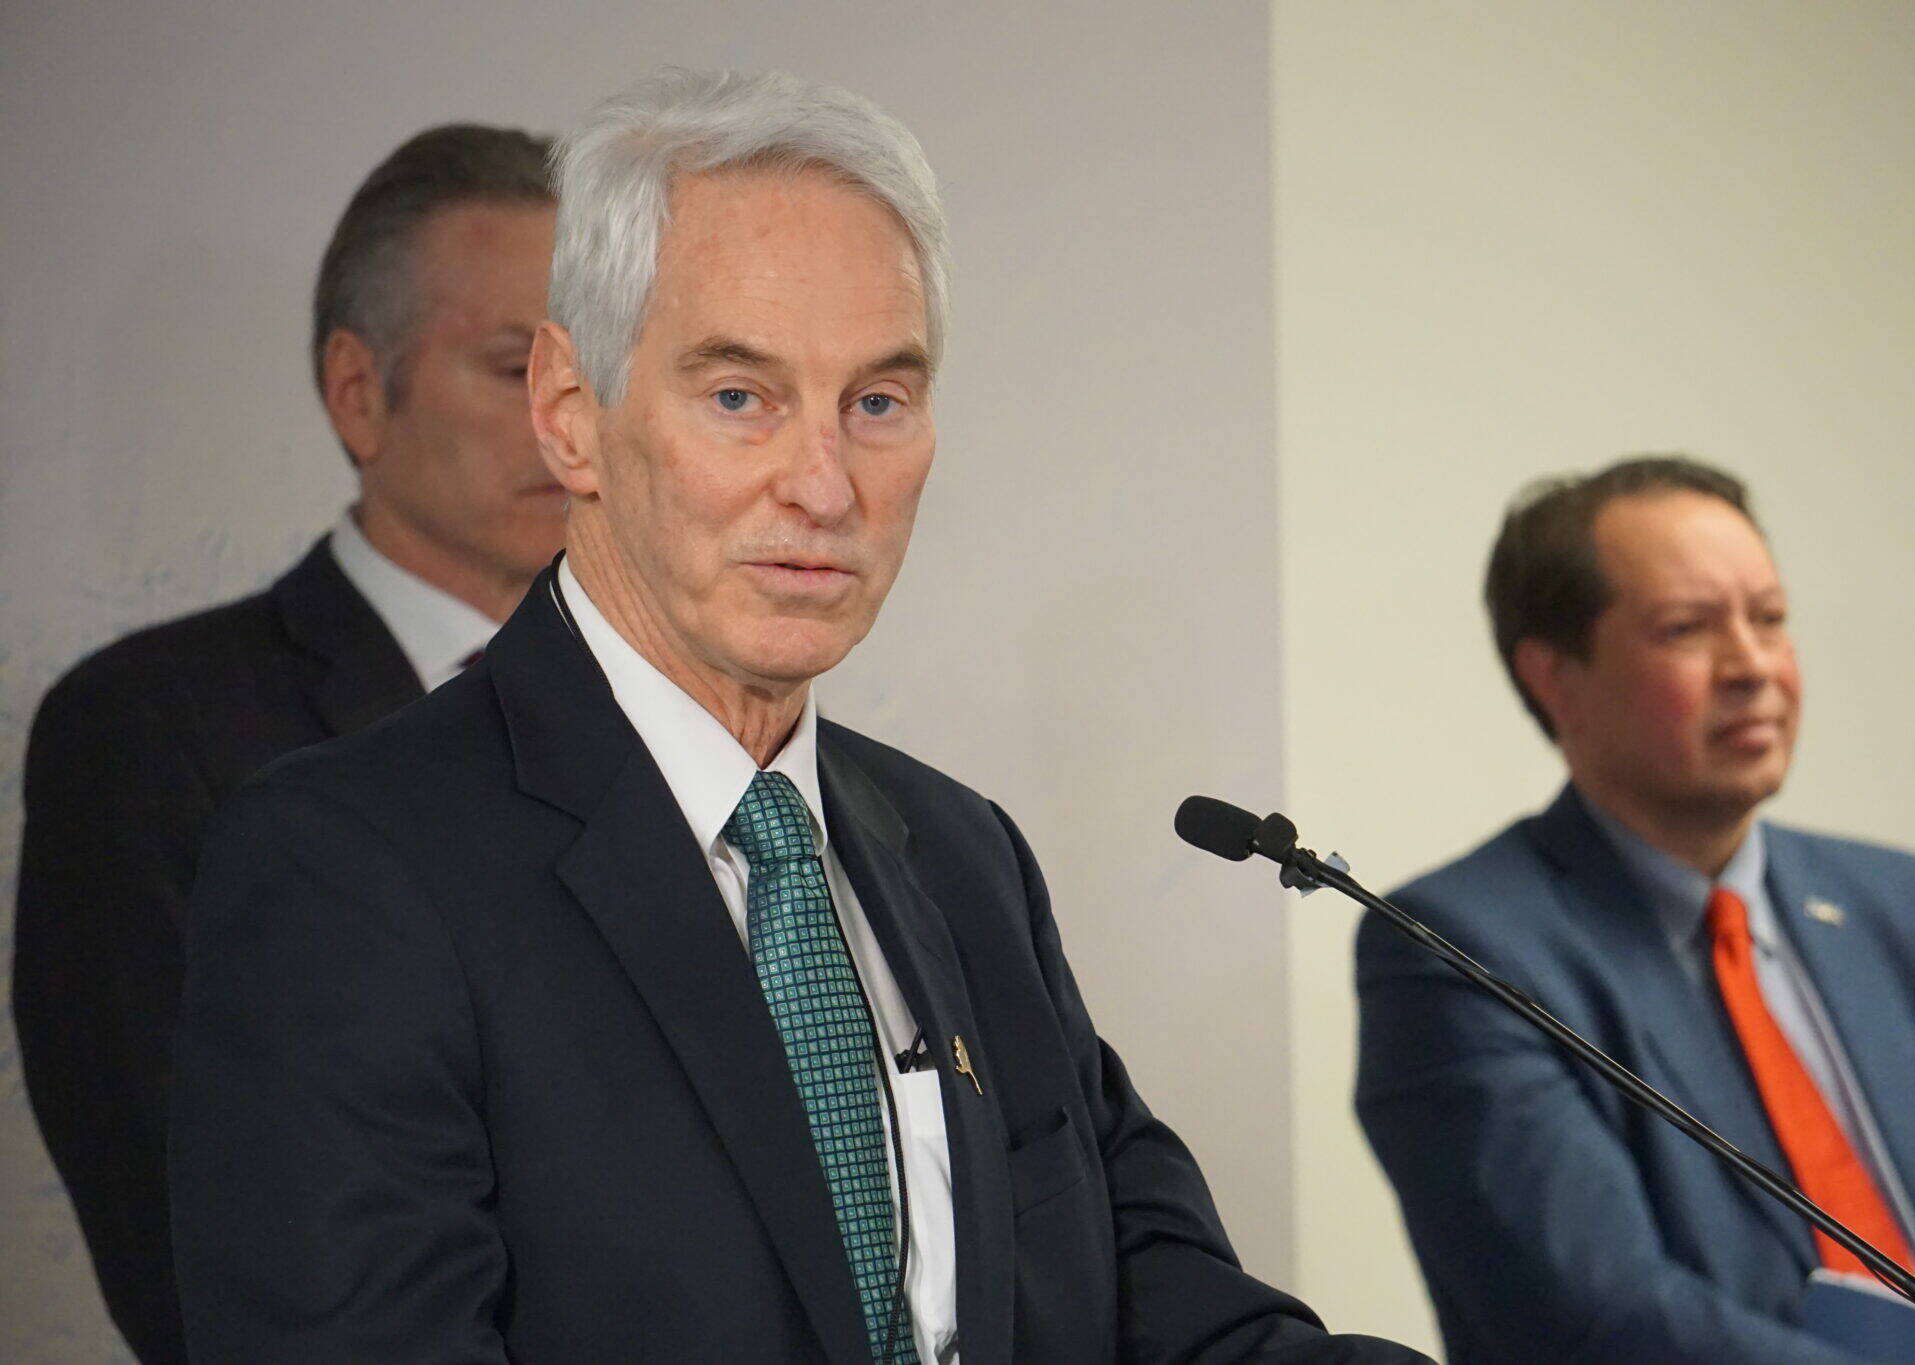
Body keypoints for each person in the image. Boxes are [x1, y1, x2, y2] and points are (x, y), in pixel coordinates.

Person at [167, 68, 1431, 1365]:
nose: (825, 485)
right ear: (570, 417)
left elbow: (1155, 1299)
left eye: (877, 402)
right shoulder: (349, 870)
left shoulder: (959, 851)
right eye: (739, 397)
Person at [12, 123, 560, 1365]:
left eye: (592, 377)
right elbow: (187, 1254)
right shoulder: (151, 734)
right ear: (359, 391)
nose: (569, 425)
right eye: (514, 366)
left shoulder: (678, 725)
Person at [1354, 455, 1915, 1363]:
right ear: (1553, 676)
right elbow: (1605, 1323)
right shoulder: (1456, 951)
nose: (1753, 665)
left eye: (1770, 619)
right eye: (1688, 628)